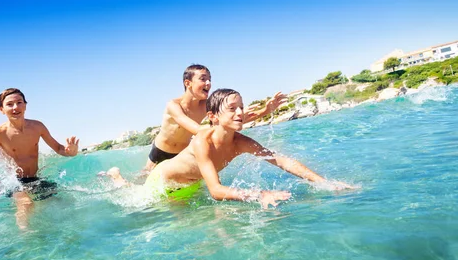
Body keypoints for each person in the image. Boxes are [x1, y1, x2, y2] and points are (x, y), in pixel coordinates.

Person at [108, 88, 351, 208]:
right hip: (162, 181)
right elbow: (215, 190)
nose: (241, 112)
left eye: (242, 107)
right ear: (213, 117)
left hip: (189, 186)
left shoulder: (241, 142)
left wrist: (324, 182)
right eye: (233, 108)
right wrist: (259, 195)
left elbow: (282, 161)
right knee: (134, 199)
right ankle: (115, 175)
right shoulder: (203, 140)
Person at [144, 64, 286, 172]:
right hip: (160, 152)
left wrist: (265, 110)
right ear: (188, 83)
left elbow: (226, 121)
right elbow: (199, 129)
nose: (208, 83)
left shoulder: (206, 106)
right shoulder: (174, 105)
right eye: (203, 79)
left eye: (210, 79)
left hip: (182, 154)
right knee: (143, 186)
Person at [0, 88, 79, 229]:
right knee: (26, 204)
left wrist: (70, 152)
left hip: (35, 179)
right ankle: (26, 239)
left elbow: (59, 149)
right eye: (10, 104)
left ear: (25, 105)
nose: (15, 107)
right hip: (15, 181)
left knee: (62, 202)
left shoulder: (37, 126)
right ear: (1, 109)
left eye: (19, 102)